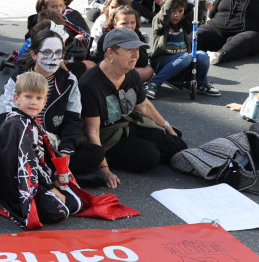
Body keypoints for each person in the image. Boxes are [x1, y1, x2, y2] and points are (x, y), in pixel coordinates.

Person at [77, 28, 184, 188]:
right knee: (149, 157)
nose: (136, 55)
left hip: (128, 124)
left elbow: (145, 106)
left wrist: (168, 128)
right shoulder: (90, 84)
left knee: (178, 144)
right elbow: (93, 131)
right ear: (110, 53)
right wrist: (104, 169)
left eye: (137, 49)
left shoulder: (130, 73)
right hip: (108, 137)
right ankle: (110, 159)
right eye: (129, 50)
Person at [0, 72, 85, 229]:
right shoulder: (16, 125)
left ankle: (49, 195)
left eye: (39, 98)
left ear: (45, 102)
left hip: (37, 177)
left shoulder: (31, 120)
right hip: (21, 184)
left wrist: (55, 174)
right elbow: (29, 163)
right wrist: (51, 188)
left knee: (76, 204)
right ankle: (15, 202)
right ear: (16, 98)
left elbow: (43, 155)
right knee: (59, 212)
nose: (34, 102)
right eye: (28, 97)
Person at [148, 0, 219, 99]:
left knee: (202, 55)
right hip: (163, 64)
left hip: (183, 65)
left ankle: (200, 83)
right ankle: (154, 83)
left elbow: (197, 14)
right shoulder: (159, 23)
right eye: (173, 11)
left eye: (180, 11)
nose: (176, 15)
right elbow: (164, 13)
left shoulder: (183, 24)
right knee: (185, 56)